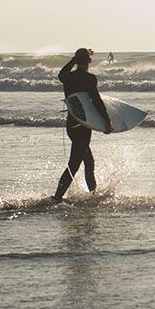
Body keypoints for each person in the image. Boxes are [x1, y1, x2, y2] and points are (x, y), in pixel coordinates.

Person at [53, 48, 112, 201]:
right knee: (74, 164)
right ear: (89, 61)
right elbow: (96, 101)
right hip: (83, 126)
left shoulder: (67, 77)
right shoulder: (90, 79)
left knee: (89, 161)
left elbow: (61, 73)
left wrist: (73, 59)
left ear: (76, 61)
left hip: (72, 124)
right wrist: (107, 121)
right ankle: (57, 197)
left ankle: (93, 194)